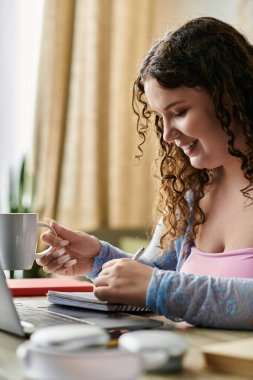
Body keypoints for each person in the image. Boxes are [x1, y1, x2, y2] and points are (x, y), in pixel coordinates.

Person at [37, 17, 253, 330]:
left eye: (179, 112)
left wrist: (159, 288)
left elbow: (161, 287)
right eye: (160, 117)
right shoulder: (193, 193)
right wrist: (98, 259)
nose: (167, 135)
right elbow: (152, 276)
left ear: (229, 96)